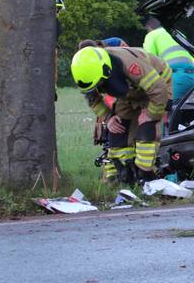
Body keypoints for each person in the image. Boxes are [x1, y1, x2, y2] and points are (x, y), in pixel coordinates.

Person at [71, 45, 171, 185]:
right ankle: (119, 179)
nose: (100, 86)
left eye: (101, 83)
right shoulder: (87, 75)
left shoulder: (130, 65)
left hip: (158, 85)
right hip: (130, 92)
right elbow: (93, 99)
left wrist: (150, 114)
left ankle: (146, 176)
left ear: (107, 70)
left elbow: (158, 89)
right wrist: (108, 117)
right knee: (117, 131)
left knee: (146, 130)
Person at [143, 17, 194, 105]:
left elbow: (149, 60)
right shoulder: (178, 33)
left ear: (149, 28)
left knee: (172, 111)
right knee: (188, 111)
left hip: (174, 78)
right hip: (192, 77)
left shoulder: (152, 35)